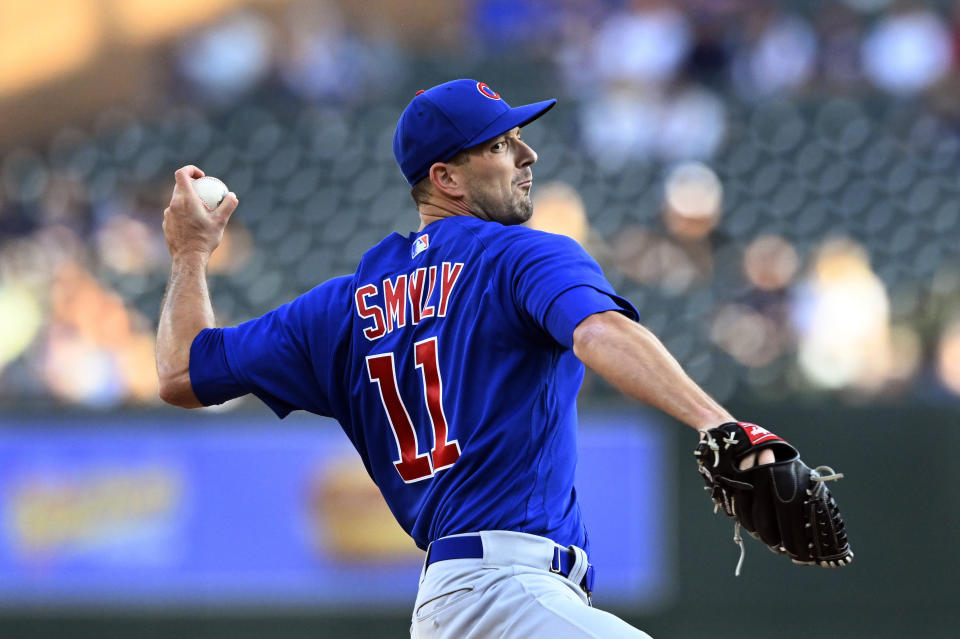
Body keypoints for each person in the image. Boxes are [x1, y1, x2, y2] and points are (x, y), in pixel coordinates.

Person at [156, 79, 771, 638]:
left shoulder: (340, 309)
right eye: (502, 145)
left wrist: (189, 254)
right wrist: (719, 424)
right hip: (510, 595)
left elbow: (182, 373)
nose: (527, 157)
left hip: (453, 605)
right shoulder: (521, 256)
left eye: (520, 139)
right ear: (447, 178)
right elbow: (597, 332)